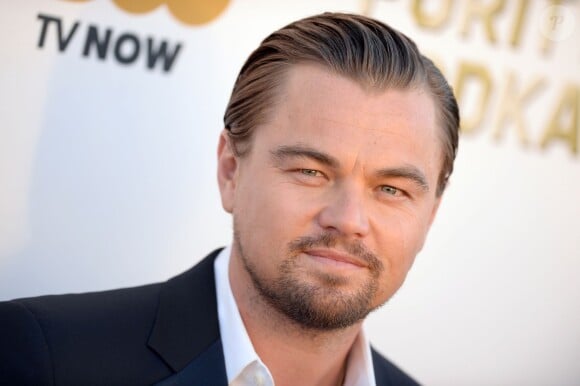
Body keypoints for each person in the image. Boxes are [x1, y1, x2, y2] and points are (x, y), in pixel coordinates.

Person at [0, 12, 459, 386]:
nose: (348, 219)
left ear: (430, 217)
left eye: (391, 190)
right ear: (230, 171)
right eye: (311, 172)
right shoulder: (49, 359)